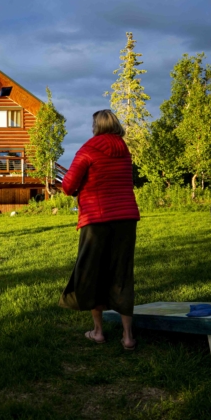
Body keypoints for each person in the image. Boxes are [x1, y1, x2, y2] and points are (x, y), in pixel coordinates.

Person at [58, 109, 140, 350]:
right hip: (126, 218)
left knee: (94, 272)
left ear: (97, 126)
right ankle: (127, 337)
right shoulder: (124, 150)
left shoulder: (88, 149)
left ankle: (98, 332)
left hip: (97, 219)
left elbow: (68, 185)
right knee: (122, 274)